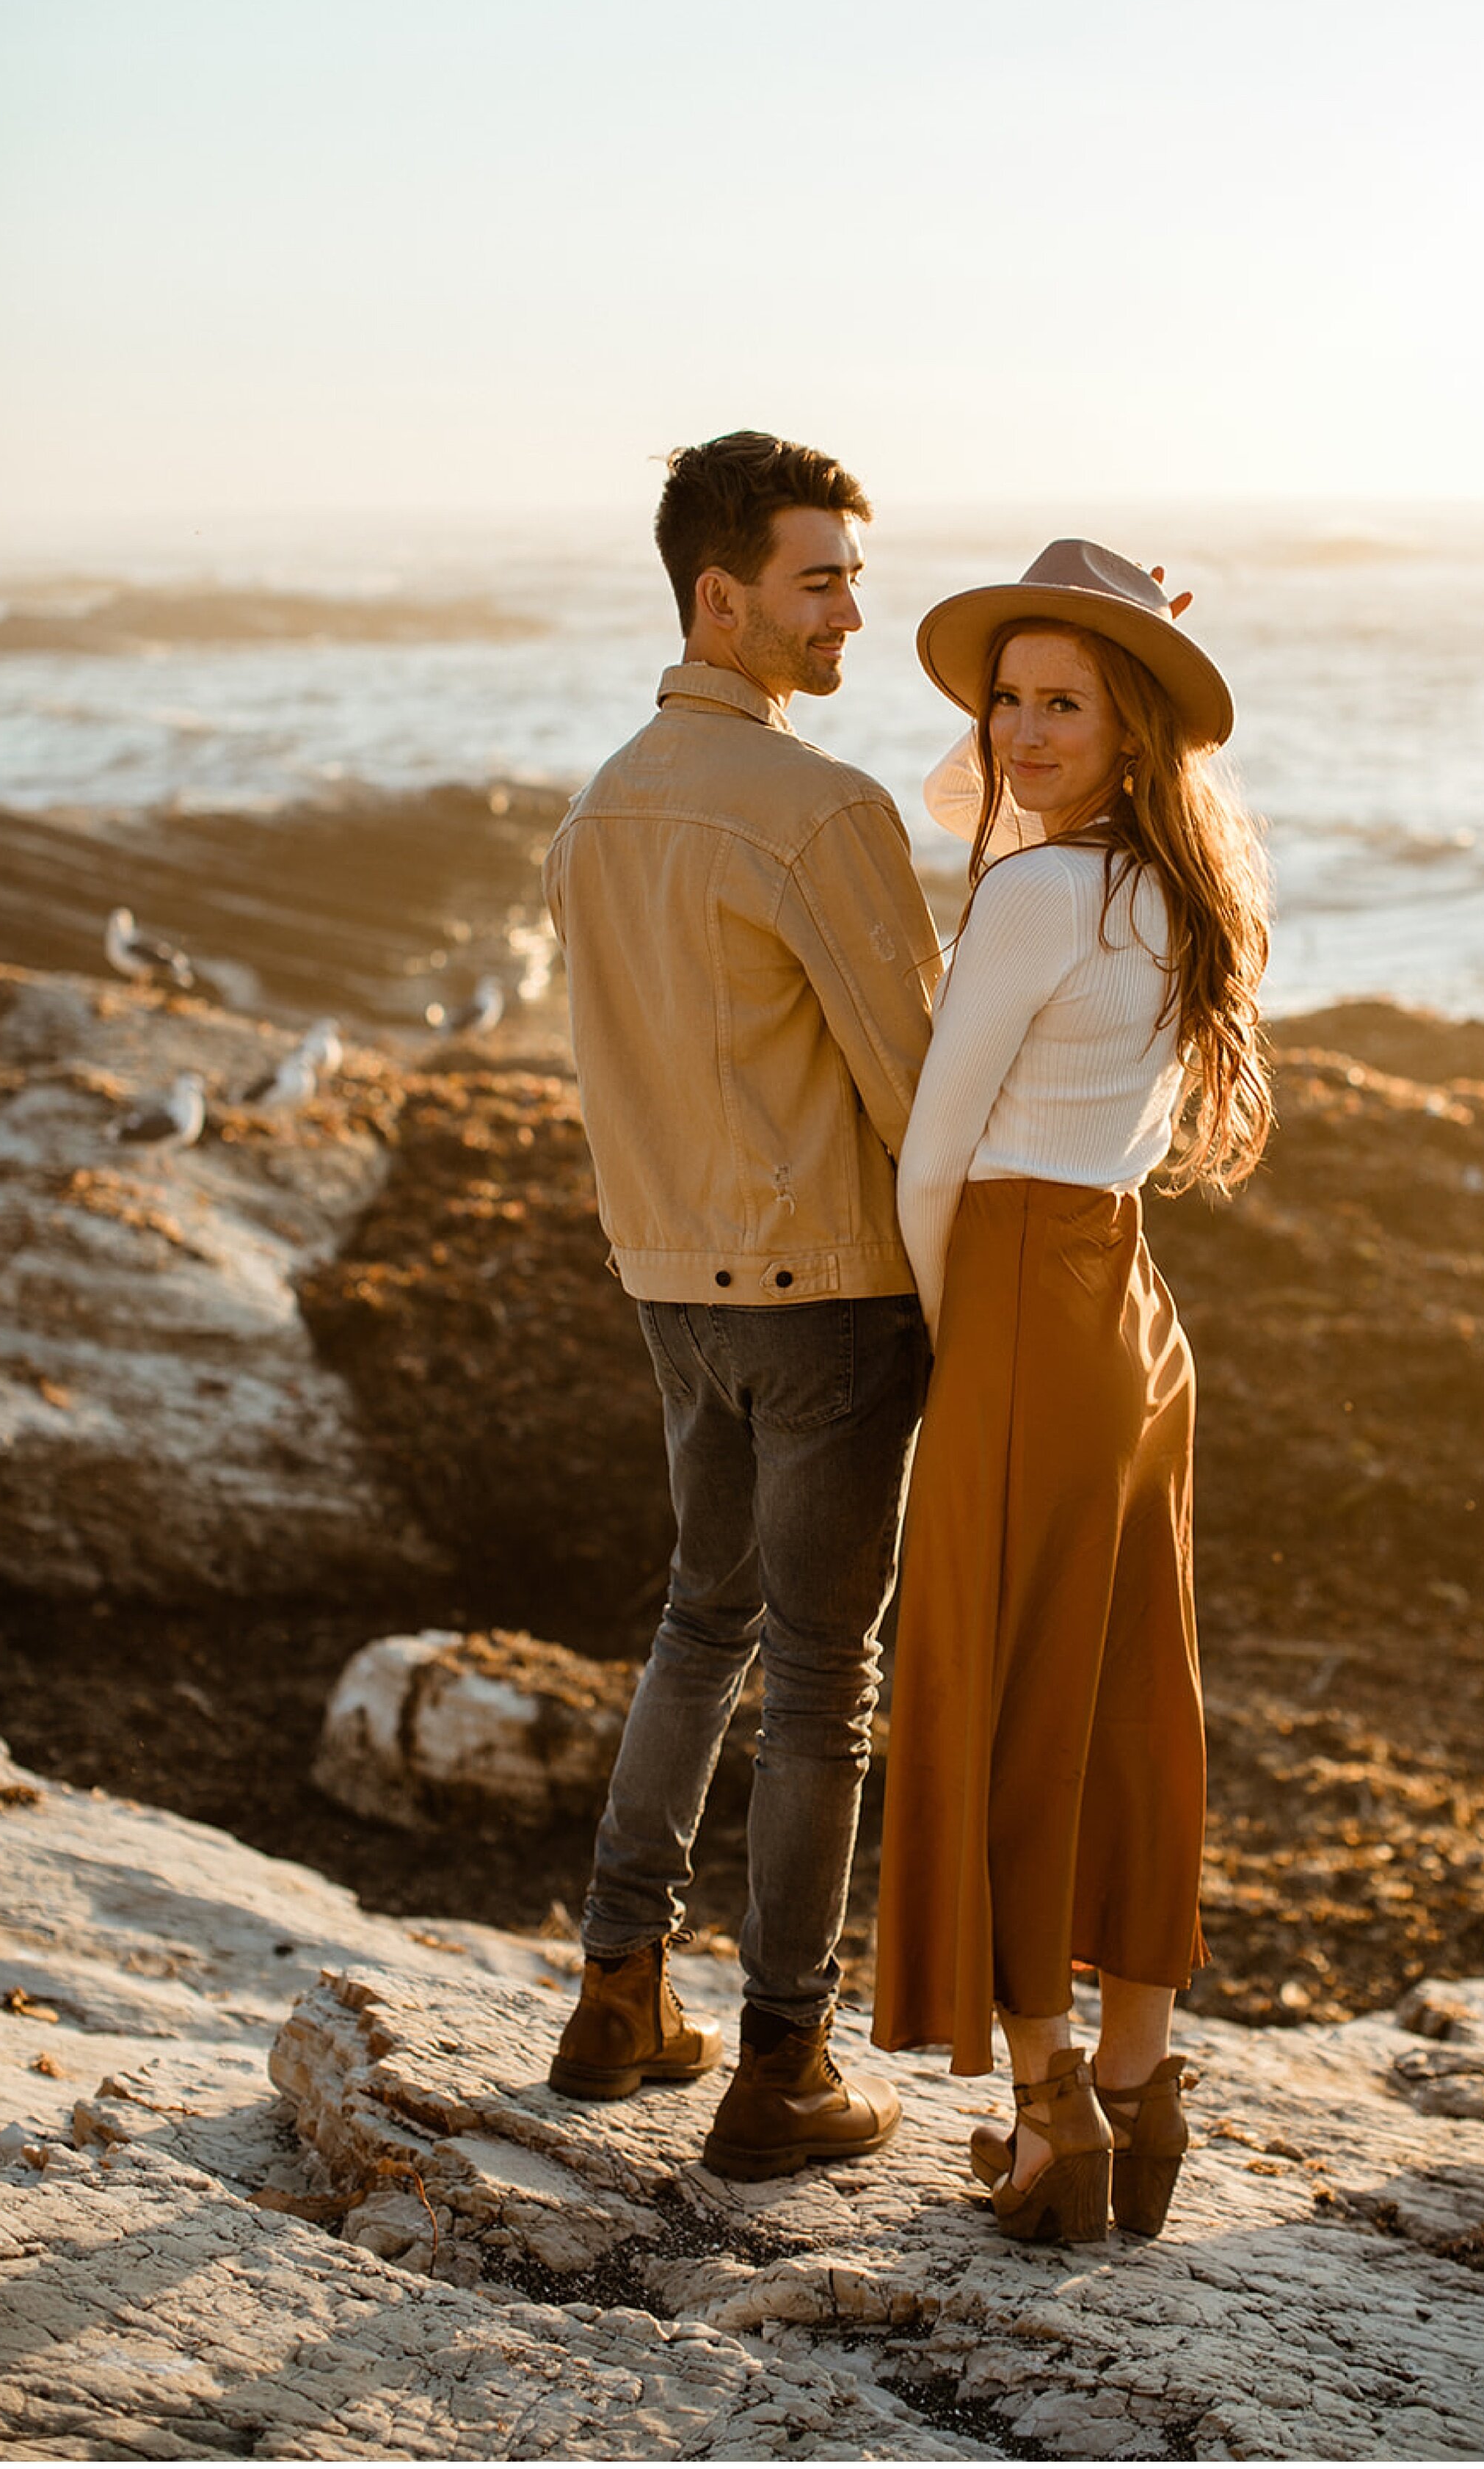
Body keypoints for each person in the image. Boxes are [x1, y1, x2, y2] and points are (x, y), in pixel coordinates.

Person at [542, 431, 942, 2180]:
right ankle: (782, 2065)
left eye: (853, 570)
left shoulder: (598, 806)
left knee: (699, 1622)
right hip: (828, 1301)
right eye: (822, 577)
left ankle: (615, 1990)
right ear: (722, 596)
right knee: (817, 1680)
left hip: (665, 1284)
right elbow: (918, 1087)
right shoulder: (820, 809)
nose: (856, 606)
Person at [872, 539, 1273, 2244]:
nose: (1018, 735)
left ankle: (1047, 2125)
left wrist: (956, 1353)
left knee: (1001, 1691)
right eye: (1007, 700)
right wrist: (1125, 673)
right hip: (1131, 1313)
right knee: (1122, 1691)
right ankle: (1137, 2082)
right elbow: (989, 783)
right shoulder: (1174, 888)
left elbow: (928, 1166)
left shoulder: (1034, 896)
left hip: (1028, 1307)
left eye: (1061, 705)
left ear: (1128, 734)